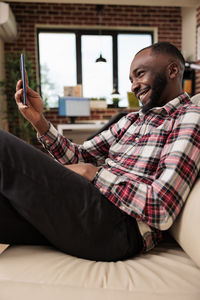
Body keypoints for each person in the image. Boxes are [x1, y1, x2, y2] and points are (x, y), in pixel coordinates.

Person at [0, 42, 200, 261]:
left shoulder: (189, 117)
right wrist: (39, 121)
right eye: (131, 80)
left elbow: (162, 207)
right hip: (87, 207)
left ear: (172, 70)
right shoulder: (131, 120)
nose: (134, 86)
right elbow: (79, 156)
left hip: (120, 226)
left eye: (140, 74)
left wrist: (93, 174)